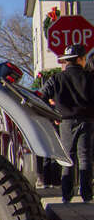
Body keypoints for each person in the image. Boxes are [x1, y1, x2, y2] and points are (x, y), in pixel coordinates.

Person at [40, 44, 94, 202]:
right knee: (85, 157)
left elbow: (42, 97)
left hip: (65, 121)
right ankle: (87, 195)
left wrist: (53, 114)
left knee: (68, 158)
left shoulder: (56, 78)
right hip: (87, 121)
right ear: (80, 59)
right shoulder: (90, 77)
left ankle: (66, 195)